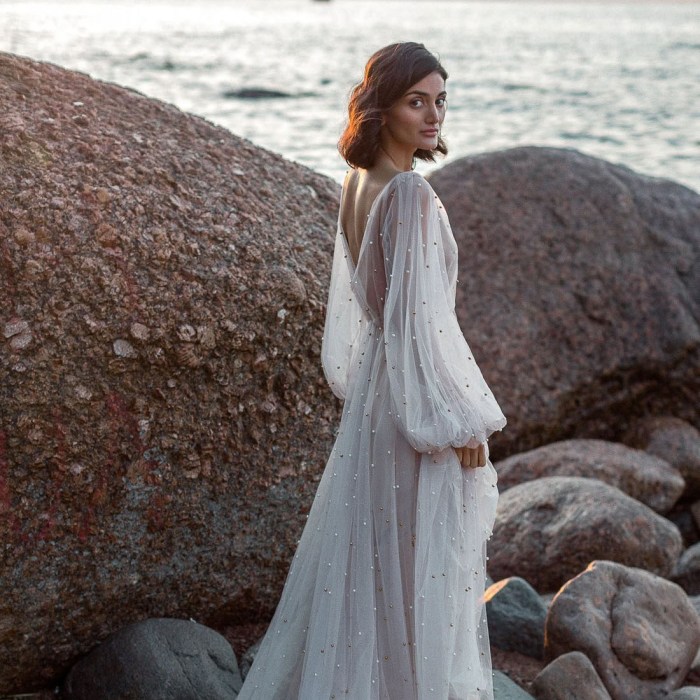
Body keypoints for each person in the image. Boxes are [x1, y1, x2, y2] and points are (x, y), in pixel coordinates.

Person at [237, 41, 507, 700]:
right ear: (382, 107)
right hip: (414, 405)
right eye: (417, 101)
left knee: (373, 569)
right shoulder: (410, 193)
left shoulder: (360, 185)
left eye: (440, 100)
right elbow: (422, 327)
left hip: (376, 402)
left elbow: (383, 320)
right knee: (418, 574)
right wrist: (459, 420)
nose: (434, 115)